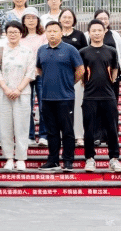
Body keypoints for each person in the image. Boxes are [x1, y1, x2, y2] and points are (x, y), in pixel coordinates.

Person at [37, 21, 84, 172]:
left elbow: (80, 70)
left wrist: (69, 82)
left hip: (65, 97)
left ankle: (68, 161)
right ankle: (53, 160)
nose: (52, 34)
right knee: (51, 131)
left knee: (67, 131)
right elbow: (39, 69)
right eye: (49, 31)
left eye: (55, 31)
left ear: (61, 32)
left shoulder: (70, 49)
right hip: (47, 98)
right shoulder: (41, 50)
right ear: (46, 33)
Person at [80, 19, 121, 173]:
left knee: (112, 128)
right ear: (89, 32)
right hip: (89, 96)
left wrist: (108, 84)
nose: (97, 33)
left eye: (100, 30)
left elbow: (115, 71)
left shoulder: (111, 51)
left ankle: (114, 159)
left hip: (108, 96)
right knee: (89, 129)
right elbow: (81, 73)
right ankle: (89, 159)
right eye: (94, 30)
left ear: (105, 31)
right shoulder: (83, 52)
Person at [0, 21, 36, 171]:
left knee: (22, 126)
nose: (13, 34)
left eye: (16, 32)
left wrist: (18, 89)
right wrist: (6, 89)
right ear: (6, 33)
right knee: (5, 127)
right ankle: (9, 158)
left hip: (22, 93)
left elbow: (30, 73)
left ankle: (21, 158)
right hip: (4, 93)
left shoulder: (28, 51)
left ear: (21, 34)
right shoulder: (0, 50)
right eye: (10, 32)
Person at [58, 9, 88, 142]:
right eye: (64, 17)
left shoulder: (79, 35)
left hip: (76, 76)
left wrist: (83, 77)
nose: (67, 20)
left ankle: (79, 135)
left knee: (77, 107)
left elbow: (86, 55)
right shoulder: (56, 33)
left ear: (74, 20)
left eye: (69, 17)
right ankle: (61, 135)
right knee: (60, 107)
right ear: (60, 19)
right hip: (59, 77)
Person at [21, 13, 49, 146]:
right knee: (27, 106)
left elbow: (44, 53)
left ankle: (43, 135)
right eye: (28, 18)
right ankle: (30, 135)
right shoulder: (21, 37)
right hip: (24, 76)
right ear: (23, 21)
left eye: (33, 18)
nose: (31, 21)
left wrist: (38, 68)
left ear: (38, 20)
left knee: (43, 105)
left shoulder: (43, 36)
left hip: (41, 74)